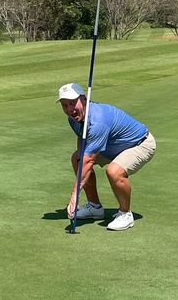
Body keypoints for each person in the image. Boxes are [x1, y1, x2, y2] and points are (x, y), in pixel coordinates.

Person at [57, 82, 156, 231]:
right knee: (77, 158)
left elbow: (89, 160)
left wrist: (74, 196)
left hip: (139, 144)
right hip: (111, 147)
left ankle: (125, 214)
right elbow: (82, 139)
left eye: (72, 103)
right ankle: (95, 207)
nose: (70, 109)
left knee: (114, 171)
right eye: (65, 105)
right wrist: (81, 159)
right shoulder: (73, 119)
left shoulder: (98, 121)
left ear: (84, 99)